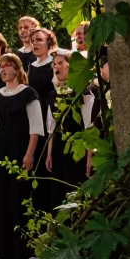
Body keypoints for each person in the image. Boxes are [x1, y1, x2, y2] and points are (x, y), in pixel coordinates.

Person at [0, 53, 45, 259]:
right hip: (1, 152)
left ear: (17, 69)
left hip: (20, 150)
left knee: (19, 198)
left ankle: (22, 251)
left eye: (7, 66)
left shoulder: (28, 94)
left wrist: (29, 155)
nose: (2, 70)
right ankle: (5, 249)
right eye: (0, 67)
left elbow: (36, 128)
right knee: (3, 198)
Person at [45, 50, 95, 195]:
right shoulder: (53, 95)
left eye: (60, 63)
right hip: (59, 148)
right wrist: (49, 154)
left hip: (77, 149)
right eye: (54, 64)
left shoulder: (84, 93)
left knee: (76, 189)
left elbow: (89, 128)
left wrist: (89, 159)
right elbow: (51, 127)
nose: (56, 67)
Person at [27, 27, 57, 106]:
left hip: (51, 108)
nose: (34, 43)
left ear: (49, 43)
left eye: (39, 40)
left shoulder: (54, 63)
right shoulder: (32, 65)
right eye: (32, 41)